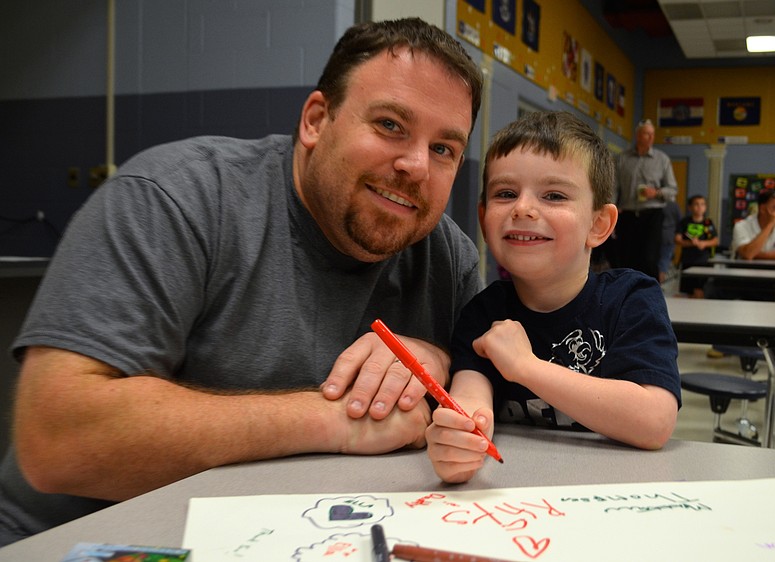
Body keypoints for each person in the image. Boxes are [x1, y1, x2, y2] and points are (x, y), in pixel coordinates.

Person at [0, 18, 484, 545]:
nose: (415, 165)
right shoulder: (175, 198)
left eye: (444, 150)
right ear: (317, 121)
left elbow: (492, 388)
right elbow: (56, 438)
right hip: (88, 540)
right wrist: (334, 421)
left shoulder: (448, 257)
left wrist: (437, 357)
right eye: (390, 124)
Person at [424, 112, 681, 484]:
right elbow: (470, 399)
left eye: (554, 195)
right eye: (506, 193)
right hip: (520, 505)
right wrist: (459, 438)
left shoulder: (631, 299)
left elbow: (654, 422)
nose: (523, 208)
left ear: (599, 226)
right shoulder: (484, 312)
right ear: (484, 218)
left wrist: (526, 367)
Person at [610, 118, 678, 281]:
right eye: (647, 134)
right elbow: (613, 188)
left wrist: (656, 192)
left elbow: (673, 189)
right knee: (626, 259)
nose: (651, 138)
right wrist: (611, 210)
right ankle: (626, 297)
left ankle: (649, 297)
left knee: (649, 258)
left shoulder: (662, 159)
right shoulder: (622, 158)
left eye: (652, 134)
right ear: (638, 135)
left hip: (652, 214)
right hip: (627, 214)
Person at [730, 189, 775, 261]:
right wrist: (770, 224)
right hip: (746, 270)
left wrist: (756, 255)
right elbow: (748, 254)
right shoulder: (741, 226)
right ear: (762, 209)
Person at [675, 195, 718, 298]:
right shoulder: (685, 222)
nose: (699, 207)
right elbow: (677, 239)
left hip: (703, 261)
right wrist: (690, 243)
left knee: (700, 290)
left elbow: (715, 240)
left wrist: (703, 244)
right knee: (688, 291)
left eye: (702, 204)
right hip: (688, 260)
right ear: (690, 207)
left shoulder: (708, 223)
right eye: (696, 204)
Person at [658, 199, 681, 283]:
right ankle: (660, 283)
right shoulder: (674, 205)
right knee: (664, 262)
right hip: (669, 237)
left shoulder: (655, 204)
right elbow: (679, 221)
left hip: (655, 236)